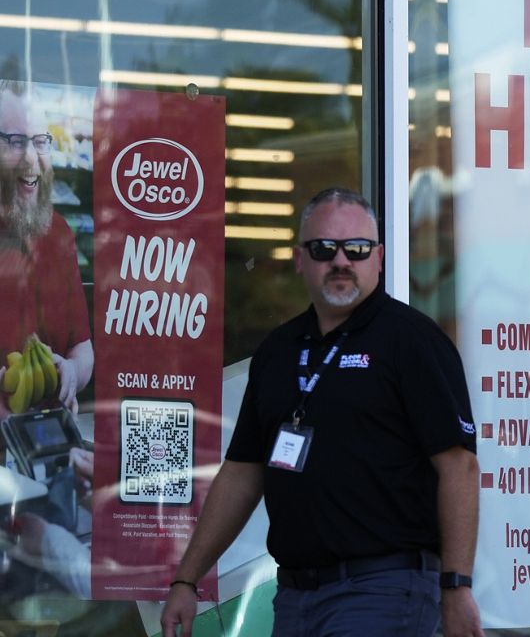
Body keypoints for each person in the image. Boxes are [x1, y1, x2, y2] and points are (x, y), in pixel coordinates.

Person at [160, 188, 484, 637]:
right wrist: (186, 579)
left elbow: (460, 467)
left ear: (380, 258)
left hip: (384, 589)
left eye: (356, 248)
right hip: (294, 597)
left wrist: (456, 586)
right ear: (299, 259)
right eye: (323, 248)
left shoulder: (411, 341)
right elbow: (241, 473)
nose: (341, 260)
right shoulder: (277, 351)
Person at [0, 83, 93, 418]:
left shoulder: (59, 233)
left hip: (50, 445)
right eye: (15, 141)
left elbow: (82, 346)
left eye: (40, 142)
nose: (31, 157)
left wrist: (71, 372)